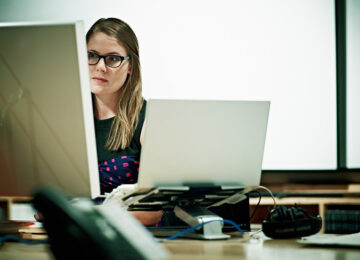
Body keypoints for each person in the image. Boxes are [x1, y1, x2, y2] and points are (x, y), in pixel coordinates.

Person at [86, 18, 162, 226]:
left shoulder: (148, 119)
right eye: (91, 56)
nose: (100, 67)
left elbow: (155, 213)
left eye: (112, 58)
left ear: (130, 66)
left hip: (130, 240)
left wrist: (88, 215)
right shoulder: (67, 118)